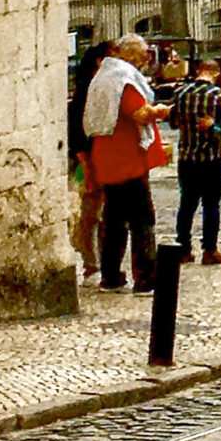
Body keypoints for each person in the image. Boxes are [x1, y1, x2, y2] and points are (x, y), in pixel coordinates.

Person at [84, 35, 162, 291]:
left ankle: (111, 275)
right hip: (127, 157)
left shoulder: (101, 77)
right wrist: (163, 111)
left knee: (113, 218)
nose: (145, 59)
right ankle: (146, 277)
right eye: (142, 53)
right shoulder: (123, 79)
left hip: (107, 157)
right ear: (128, 54)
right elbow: (138, 113)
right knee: (142, 219)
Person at [169, 59, 221, 265]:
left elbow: (172, 123)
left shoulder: (180, 94)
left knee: (186, 204)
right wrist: (212, 127)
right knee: (211, 205)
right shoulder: (220, 97)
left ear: (198, 71)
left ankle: (183, 247)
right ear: (215, 73)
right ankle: (209, 249)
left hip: (187, 158)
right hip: (211, 159)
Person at [68, 39, 112, 281]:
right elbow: (77, 136)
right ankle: (90, 261)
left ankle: (99, 261)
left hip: (100, 158)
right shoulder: (87, 94)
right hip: (87, 161)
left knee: (101, 215)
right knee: (90, 214)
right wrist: (86, 166)